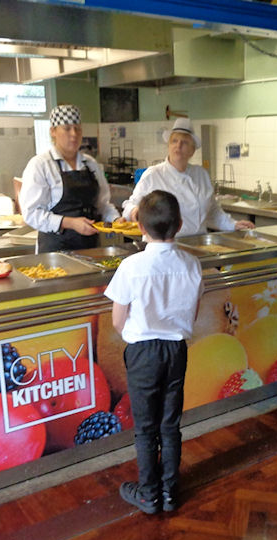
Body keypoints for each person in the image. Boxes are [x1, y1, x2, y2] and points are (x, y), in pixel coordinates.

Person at [104, 190, 203, 514]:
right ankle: (170, 491)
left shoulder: (131, 266)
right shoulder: (192, 264)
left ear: (141, 228)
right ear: (179, 224)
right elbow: (194, 313)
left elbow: (118, 321)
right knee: (170, 424)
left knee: (146, 427)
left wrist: (138, 331)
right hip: (176, 350)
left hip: (143, 353)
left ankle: (148, 494)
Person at [122, 117, 254, 237]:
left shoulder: (201, 174)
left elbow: (212, 211)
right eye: (174, 141)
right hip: (165, 245)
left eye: (184, 142)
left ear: (192, 150)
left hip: (199, 243)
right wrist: (135, 212)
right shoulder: (154, 175)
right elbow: (130, 205)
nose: (178, 145)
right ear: (169, 146)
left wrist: (233, 224)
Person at [19, 104, 119, 253]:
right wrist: (70, 223)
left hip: (91, 249)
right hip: (54, 251)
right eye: (67, 128)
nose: (74, 134)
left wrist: (116, 220)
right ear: (53, 131)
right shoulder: (41, 165)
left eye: (77, 128)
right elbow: (31, 214)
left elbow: (102, 205)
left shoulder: (90, 164)